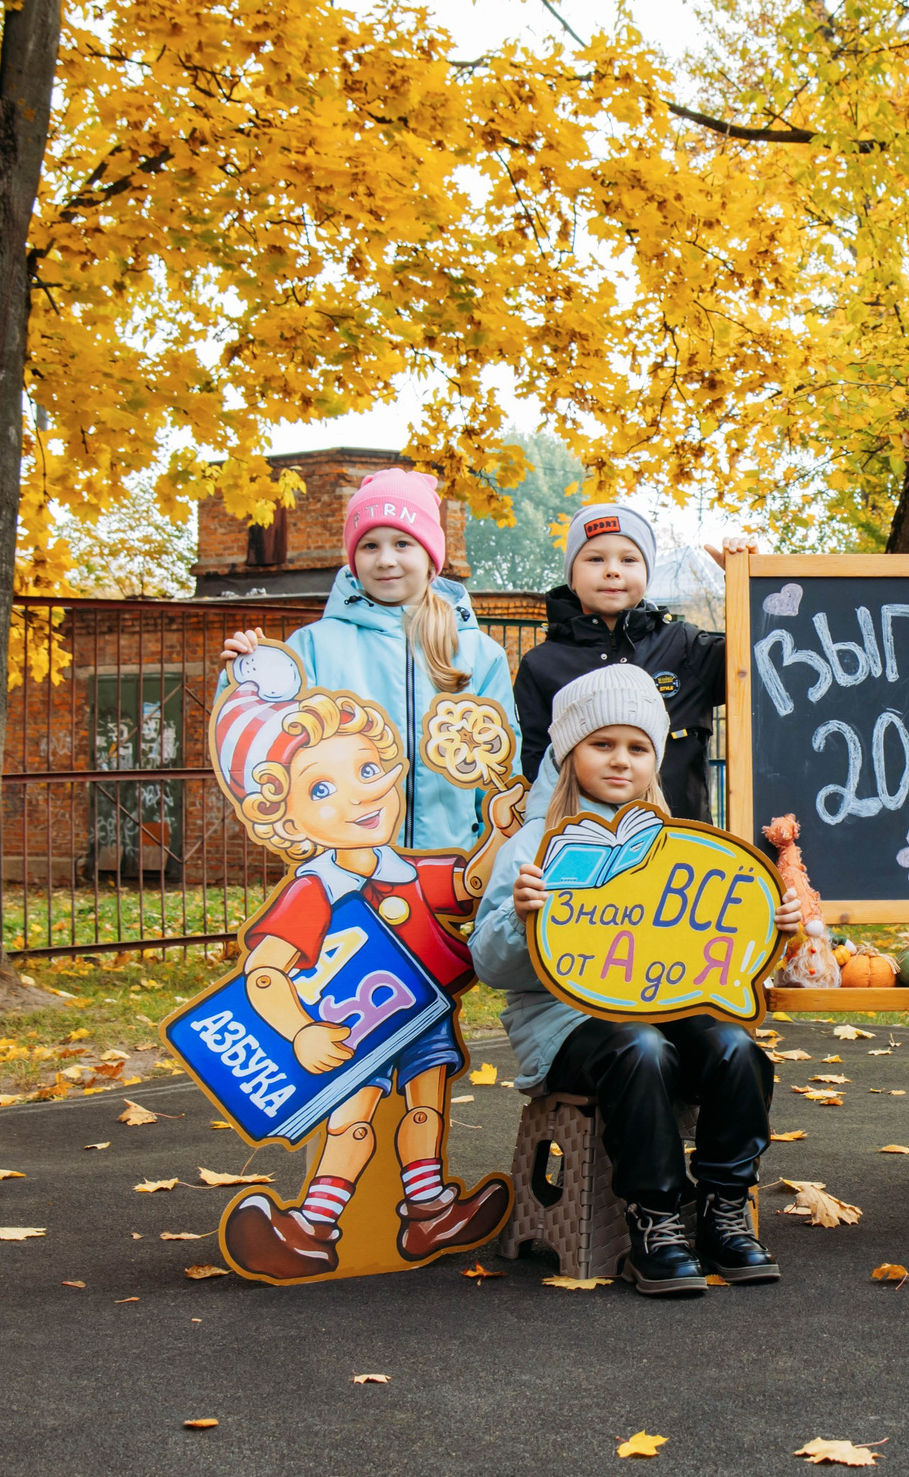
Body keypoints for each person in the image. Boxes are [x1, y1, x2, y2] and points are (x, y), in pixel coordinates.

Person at [470, 666, 808, 1297]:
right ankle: (654, 1220)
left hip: (668, 1006)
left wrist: (773, 921)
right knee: (640, 1047)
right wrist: (520, 919)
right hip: (567, 1027)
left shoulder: (677, 849)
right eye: (602, 745)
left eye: (638, 747)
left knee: (736, 1049)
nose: (621, 761)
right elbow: (491, 968)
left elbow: (718, 939)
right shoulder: (535, 848)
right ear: (571, 754)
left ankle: (722, 1207)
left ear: (656, 758)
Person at [209, 646, 512, 1279]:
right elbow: (264, 971)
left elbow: (472, 886)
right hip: (349, 1029)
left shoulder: (411, 868)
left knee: (426, 1106)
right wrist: (301, 1031)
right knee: (351, 1123)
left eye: (368, 768)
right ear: (283, 816)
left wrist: (502, 834)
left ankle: (429, 1212)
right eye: (322, 787)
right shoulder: (315, 889)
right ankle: (312, 1226)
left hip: (420, 1011)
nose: (359, 794)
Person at [221, 467, 519, 853]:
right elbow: (263, 743)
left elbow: (501, 771)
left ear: (431, 558)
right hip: (347, 871)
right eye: (370, 545)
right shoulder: (313, 646)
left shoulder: (480, 653)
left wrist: (488, 856)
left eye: (402, 544)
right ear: (353, 557)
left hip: (453, 868)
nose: (385, 560)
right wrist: (244, 677)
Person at [512, 502, 754, 823]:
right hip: (582, 854)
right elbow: (533, 767)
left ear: (647, 572)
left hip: (683, 853)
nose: (612, 570)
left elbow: (765, 664)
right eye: (595, 558)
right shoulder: (541, 664)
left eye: (628, 559)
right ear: (571, 573)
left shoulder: (685, 646)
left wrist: (746, 581)